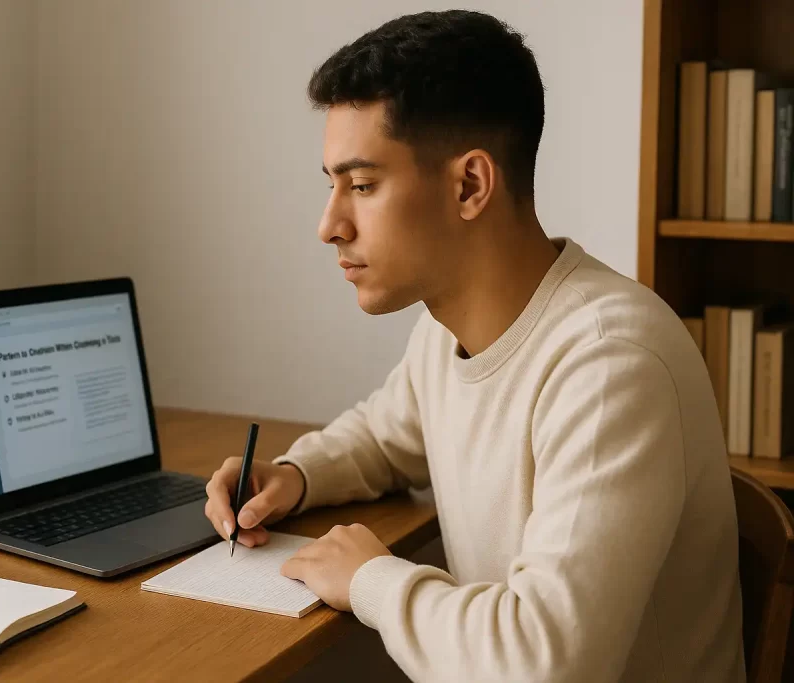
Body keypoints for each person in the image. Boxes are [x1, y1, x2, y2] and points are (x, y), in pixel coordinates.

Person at [204, 9, 744, 683]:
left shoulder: (610, 365)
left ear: (470, 185)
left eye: (362, 185)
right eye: (331, 183)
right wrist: (293, 474)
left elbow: (545, 664)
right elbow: (383, 437)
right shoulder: (445, 329)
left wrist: (371, 579)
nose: (329, 225)